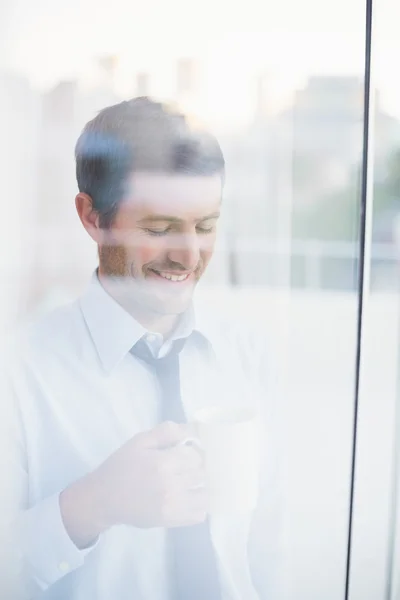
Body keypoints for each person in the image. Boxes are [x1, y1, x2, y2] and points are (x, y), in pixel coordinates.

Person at [1, 97, 284, 600]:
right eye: (159, 229)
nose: (189, 256)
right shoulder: (17, 374)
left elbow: (268, 550)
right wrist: (91, 506)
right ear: (91, 217)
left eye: (206, 226)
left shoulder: (248, 357)